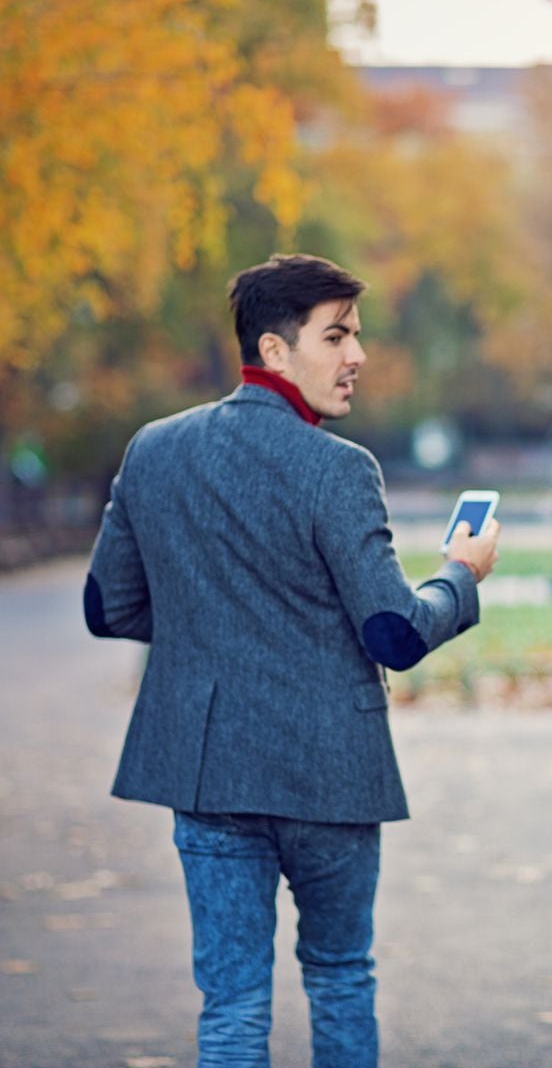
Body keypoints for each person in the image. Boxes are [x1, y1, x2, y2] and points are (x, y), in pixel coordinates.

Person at [83, 253, 499, 1067]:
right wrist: (462, 574)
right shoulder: (339, 470)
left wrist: (213, 624)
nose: (359, 357)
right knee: (341, 978)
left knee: (231, 1006)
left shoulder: (155, 448)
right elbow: (395, 634)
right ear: (274, 351)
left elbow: (110, 608)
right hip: (328, 774)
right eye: (337, 336)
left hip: (207, 771)